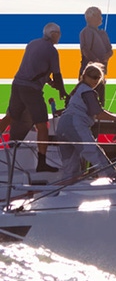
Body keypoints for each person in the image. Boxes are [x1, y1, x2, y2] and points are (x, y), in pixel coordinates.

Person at [0, 22, 67, 172]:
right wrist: (62, 92)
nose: (60, 36)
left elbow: (36, 68)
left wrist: (48, 82)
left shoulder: (32, 44)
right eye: (59, 34)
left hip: (17, 84)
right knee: (42, 124)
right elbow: (57, 74)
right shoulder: (52, 50)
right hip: (31, 89)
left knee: (10, 116)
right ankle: (41, 164)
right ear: (54, 34)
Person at [56, 63, 116, 182]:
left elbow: (96, 108)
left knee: (70, 164)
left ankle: (67, 187)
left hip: (63, 125)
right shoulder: (87, 92)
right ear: (85, 76)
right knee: (93, 152)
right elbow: (98, 113)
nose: (96, 80)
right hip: (74, 124)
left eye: (98, 78)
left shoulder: (77, 90)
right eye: (93, 77)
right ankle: (110, 178)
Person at [79, 6, 113, 105]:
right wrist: (96, 61)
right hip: (90, 72)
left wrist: (107, 55)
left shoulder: (102, 33)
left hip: (101, 73)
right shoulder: (86, 32)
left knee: (100, 98)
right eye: (98, 16)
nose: (101, 18)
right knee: (88, 98)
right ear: (90, 17)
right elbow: (85, 50)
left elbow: (110, 50)